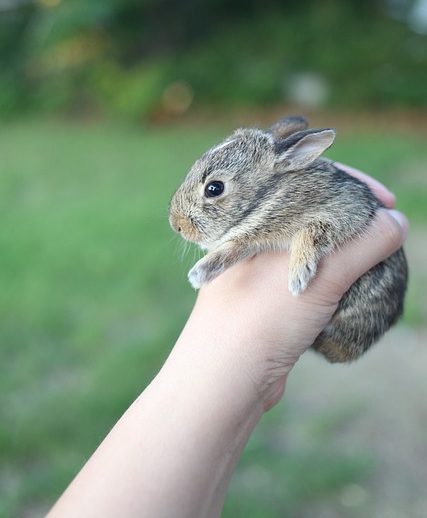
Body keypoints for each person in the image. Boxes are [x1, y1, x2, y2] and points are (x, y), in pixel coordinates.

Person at [47, 165, 408, 518]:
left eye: (214, 191)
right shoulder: (266, 213)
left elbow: (339, 214)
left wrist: (305, 245)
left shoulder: (298, 196)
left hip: (353, 316)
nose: (177, 223)